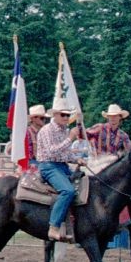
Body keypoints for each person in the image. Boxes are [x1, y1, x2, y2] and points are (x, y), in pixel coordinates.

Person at [36, 101, 86, 241]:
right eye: (63, 115)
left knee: (85, 184)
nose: (66, 118)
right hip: (48, 166)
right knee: (67, 191)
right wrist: (70, 138)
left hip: (62, 165)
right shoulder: (47, 130)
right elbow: (51, 152)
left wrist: (76, 160)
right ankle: (54, 227)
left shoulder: (64, 130)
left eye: (68, 115)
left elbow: (65, 153)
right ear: (55, 115)